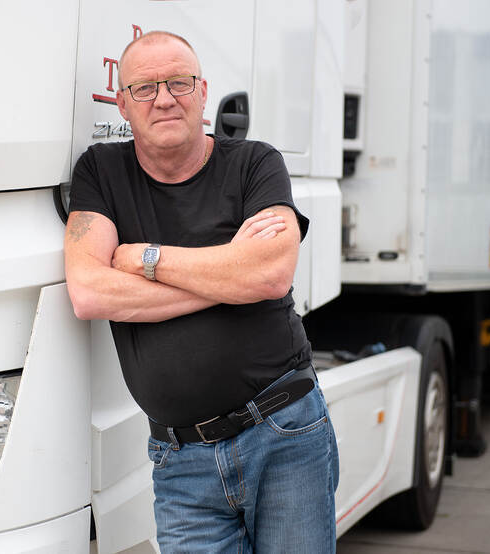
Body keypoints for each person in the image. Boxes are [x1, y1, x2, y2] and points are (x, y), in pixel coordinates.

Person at [64, 30, 338, 553]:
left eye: (180, 83)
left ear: (203, 90)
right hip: (181, 462)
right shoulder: (102, 172)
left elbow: (270, 276)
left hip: (283, 432)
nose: (165, 98)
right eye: (145, 88)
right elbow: (90, 292)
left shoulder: (256, 162)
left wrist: (144, 257)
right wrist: (230, 278)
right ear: (122, 103)